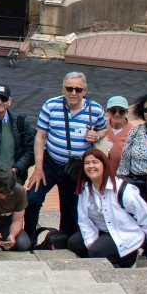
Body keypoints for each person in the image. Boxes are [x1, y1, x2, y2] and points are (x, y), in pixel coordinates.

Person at [25, 71, 107, 238]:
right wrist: (38, 168)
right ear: (63, 89)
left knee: (71, 208)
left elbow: (104, 128)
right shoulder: (50, 106)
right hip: (51, 162)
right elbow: (40, 137)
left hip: (76, 167)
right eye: (69, 89)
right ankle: (29, 238)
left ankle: (64, 241)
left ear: (85, 91)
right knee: (32, 198)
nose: (73, 93)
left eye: (78, 89)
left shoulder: (95, 109)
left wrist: (97, 135)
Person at [69, 148, 147, 268]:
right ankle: (108, 256)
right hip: (103, 230)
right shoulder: (85, 188)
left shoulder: (122, 190)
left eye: (95, 162)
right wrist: (90, 241)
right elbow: (83, 219)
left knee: (96, 252)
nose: (91, 166)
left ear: (104, 164)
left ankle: (128, 257)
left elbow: (145, 215)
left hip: (125, 233)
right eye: (87, 163)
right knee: (74, 243)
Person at [103, 96, 133, 168]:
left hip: (124, 176)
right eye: (113, 111)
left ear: (126, 112)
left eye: (121, 111)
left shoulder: (134, 131)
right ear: (107, 111)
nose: (117, 114)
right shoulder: (100, 125)